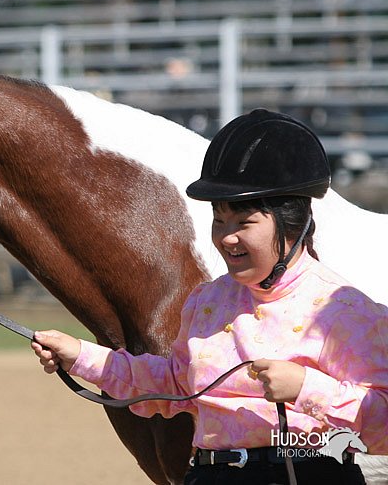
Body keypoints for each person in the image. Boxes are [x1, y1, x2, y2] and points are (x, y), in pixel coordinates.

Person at [32, 109, 387, 484]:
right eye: (219, 219)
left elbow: (383, 425)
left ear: (291, 223)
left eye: (243, 222)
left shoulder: (348, 313)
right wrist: (82, 357)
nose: (226, 237)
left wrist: (305, 388)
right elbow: (176, 385)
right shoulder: (208, 301)